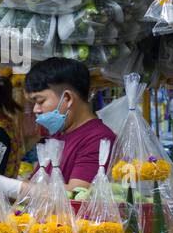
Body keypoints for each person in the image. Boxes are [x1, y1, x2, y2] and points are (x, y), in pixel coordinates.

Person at [25, 57, 115, 190]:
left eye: (40, 101)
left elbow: (76, 196)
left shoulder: (99, 139)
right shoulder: (57, 136)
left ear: (67, 98)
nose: (36, 110)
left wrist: (13, 187)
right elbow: (36, 183)